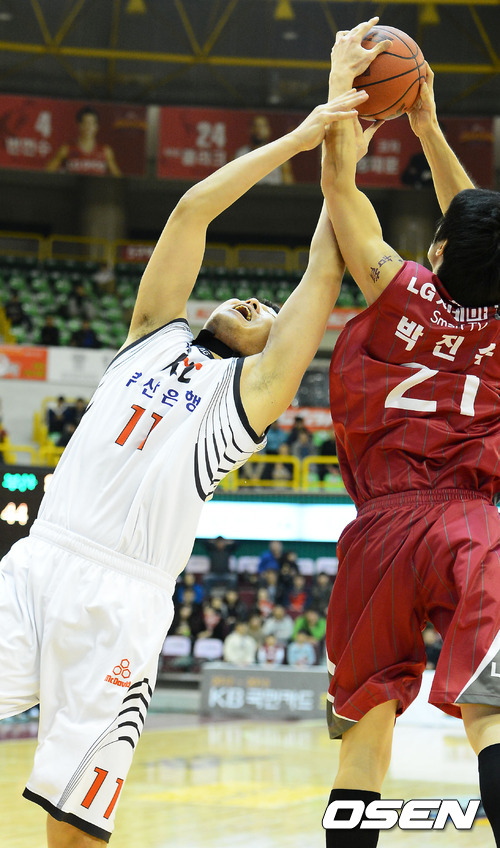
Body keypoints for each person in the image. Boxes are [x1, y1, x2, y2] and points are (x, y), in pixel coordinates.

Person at [0, 88, 370, 847]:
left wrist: (340, 168)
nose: (254, 302)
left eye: (269, 315)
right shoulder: (150, 333)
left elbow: (319, 278)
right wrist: (298, 138)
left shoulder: (248, 397)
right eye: (249, 299)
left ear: (274, 348)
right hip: (37, 561)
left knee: (72, 826)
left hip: (121, 602)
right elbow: (190, 212)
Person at [321, 18, 500, 847]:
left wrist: (343, 91)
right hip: (472, 521)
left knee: (366, 722)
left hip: (383, 527)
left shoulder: (397, 288)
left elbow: (342, 192)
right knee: (491, 711)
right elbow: (478, 228)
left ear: (435, 249)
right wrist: (430, 129)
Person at [46, 106, 122, 176]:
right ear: (79, 125)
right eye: (85, 123)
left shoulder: (105, 151)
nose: (88, 127)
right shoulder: (67, 149)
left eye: (92, 123)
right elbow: (47, 173)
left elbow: (118, 179)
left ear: (96, 127)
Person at [234, 114, 294, 185]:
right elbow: (234, 183)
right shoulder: (241, 154)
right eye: (256, 126)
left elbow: (288, 184)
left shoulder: (279, 154)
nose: (259, 130)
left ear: (269, 130)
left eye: (262, 126)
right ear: (250, 130)